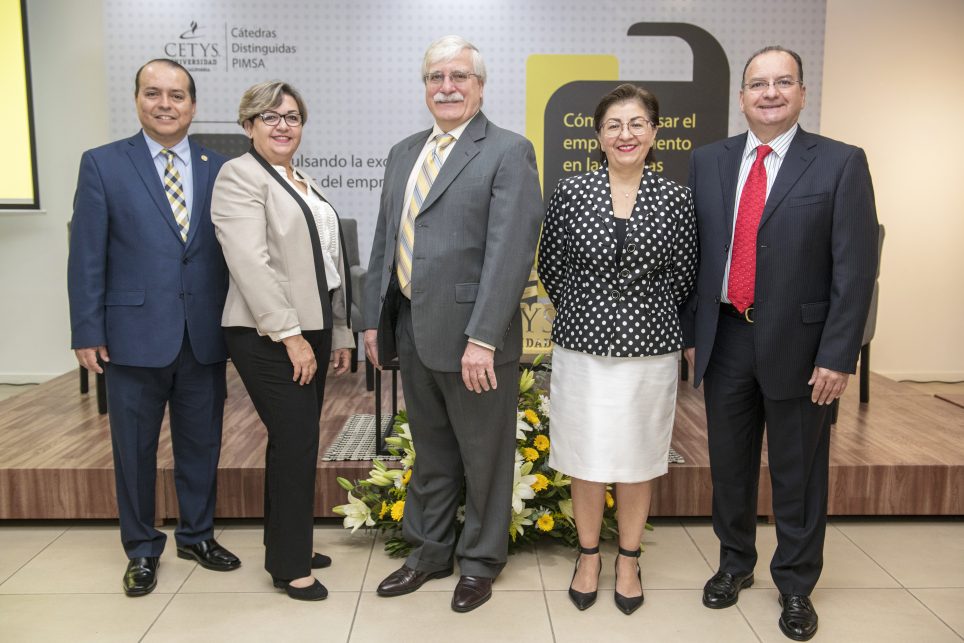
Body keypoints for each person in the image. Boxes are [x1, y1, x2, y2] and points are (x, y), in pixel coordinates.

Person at [682, 46, 878, 641]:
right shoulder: (708, 161)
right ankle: (734, 563)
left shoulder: (841, 162)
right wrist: (693, 336)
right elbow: (693, 259)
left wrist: (838, 354)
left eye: (782, 82)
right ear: (741, 97)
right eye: (758, 84)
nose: (770, 93)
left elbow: (855, 270)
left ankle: (795, 584)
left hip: (803, 346)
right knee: (729, 467)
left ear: (801, 93)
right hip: (726, 337)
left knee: (799, 471)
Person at [363, 35, 544, 613]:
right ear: (425, 87)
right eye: (436, 77)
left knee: (484, 458)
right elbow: (385, 240)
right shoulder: (403, 152)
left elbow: (510, 252)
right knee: (431, 451)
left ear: (480, 86)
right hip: (412, 329)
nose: (447, 87)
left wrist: (483, 338)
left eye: (459, 76)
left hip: (475, 340)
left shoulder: (508, 151)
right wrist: (372, 321)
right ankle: (428, 553)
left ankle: (481, 562)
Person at [67, 59, 241, 597]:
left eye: (177, 95)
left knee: (201, 445)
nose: (165, 104)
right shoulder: (102, 164)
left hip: (203, 334)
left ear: (193, 104)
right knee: (134, 450)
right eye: (153, 93)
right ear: (138, 99)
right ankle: (141, 548)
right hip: (132, 335)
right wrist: (86, 329)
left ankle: (197, 535)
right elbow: (86, 254)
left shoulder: (220, 167)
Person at [538, 83, 697, 615]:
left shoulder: (676, 198)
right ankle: (588, 557)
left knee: (637, 458)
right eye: (613, 125)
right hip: (582, 349)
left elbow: (684, 275)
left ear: (654, 132)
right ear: (599, 135)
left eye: (636, 124)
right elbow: (552, 266)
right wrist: (591, 311)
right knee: (584, 456)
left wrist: (638, 315)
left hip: (649, 351)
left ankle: (628, 559)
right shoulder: (571, 193)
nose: (625, 134)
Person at [211, 81, 354, 601]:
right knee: (296, 441)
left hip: (311, 326)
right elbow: (249, 263)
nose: (282, 126)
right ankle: (290, 566)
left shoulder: (300, 179)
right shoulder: (239, 176)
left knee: (294, 441)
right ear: (248, 125)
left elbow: (328, 265)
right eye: (269, 117)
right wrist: (292, 337)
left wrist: (338, 331)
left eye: (292, 117)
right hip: (266, 332)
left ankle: (286, 544)